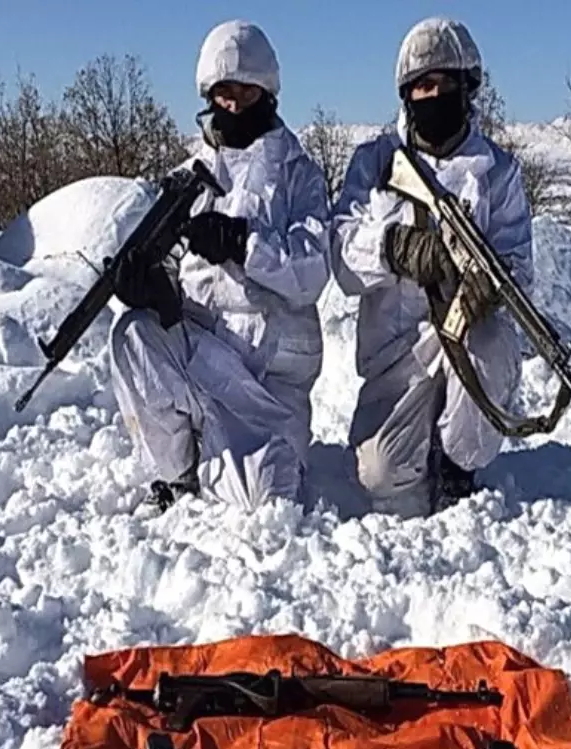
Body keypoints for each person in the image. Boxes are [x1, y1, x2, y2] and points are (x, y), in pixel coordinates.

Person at [108, 19, 330, 512]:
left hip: (267, 384)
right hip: (202, 353)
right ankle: (178, 472)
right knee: (132, 334)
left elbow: (313, 270)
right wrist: (152, 290)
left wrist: (243, 242)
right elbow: (165, 263)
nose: (232, 105)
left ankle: (236, 450)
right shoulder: (188, 179)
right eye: (223, 93)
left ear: (267, 92)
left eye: (245, 93)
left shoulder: (300, 175)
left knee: (267, 503)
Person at [330, 16, 533, 518]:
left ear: (468, 88)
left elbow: (519, 271)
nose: (433, 95)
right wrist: (396, 248)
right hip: (398, 357)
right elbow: (340, 251)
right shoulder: (375, 163)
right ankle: (419, 443)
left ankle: (459, 465)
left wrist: (485, 285)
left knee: (491, 344)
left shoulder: (499, 173)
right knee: (378, 474)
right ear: (405, 95)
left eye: (444, 84)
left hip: (466, 338)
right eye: (422, 86)